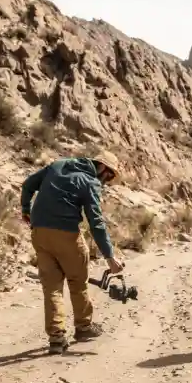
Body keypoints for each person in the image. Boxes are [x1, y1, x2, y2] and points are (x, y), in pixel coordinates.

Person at [20, 150, 124, 354]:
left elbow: (29, 184)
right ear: (101, 166)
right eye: (109, 175)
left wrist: (25, 209)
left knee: (52, 287)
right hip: (66, 234)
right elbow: (96, 222)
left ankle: (57, 338)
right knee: (78, 281)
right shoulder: (90, 181)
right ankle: (84, 327)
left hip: (39, 232)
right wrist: (110, 257)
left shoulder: (58, 165)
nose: (108, 180)